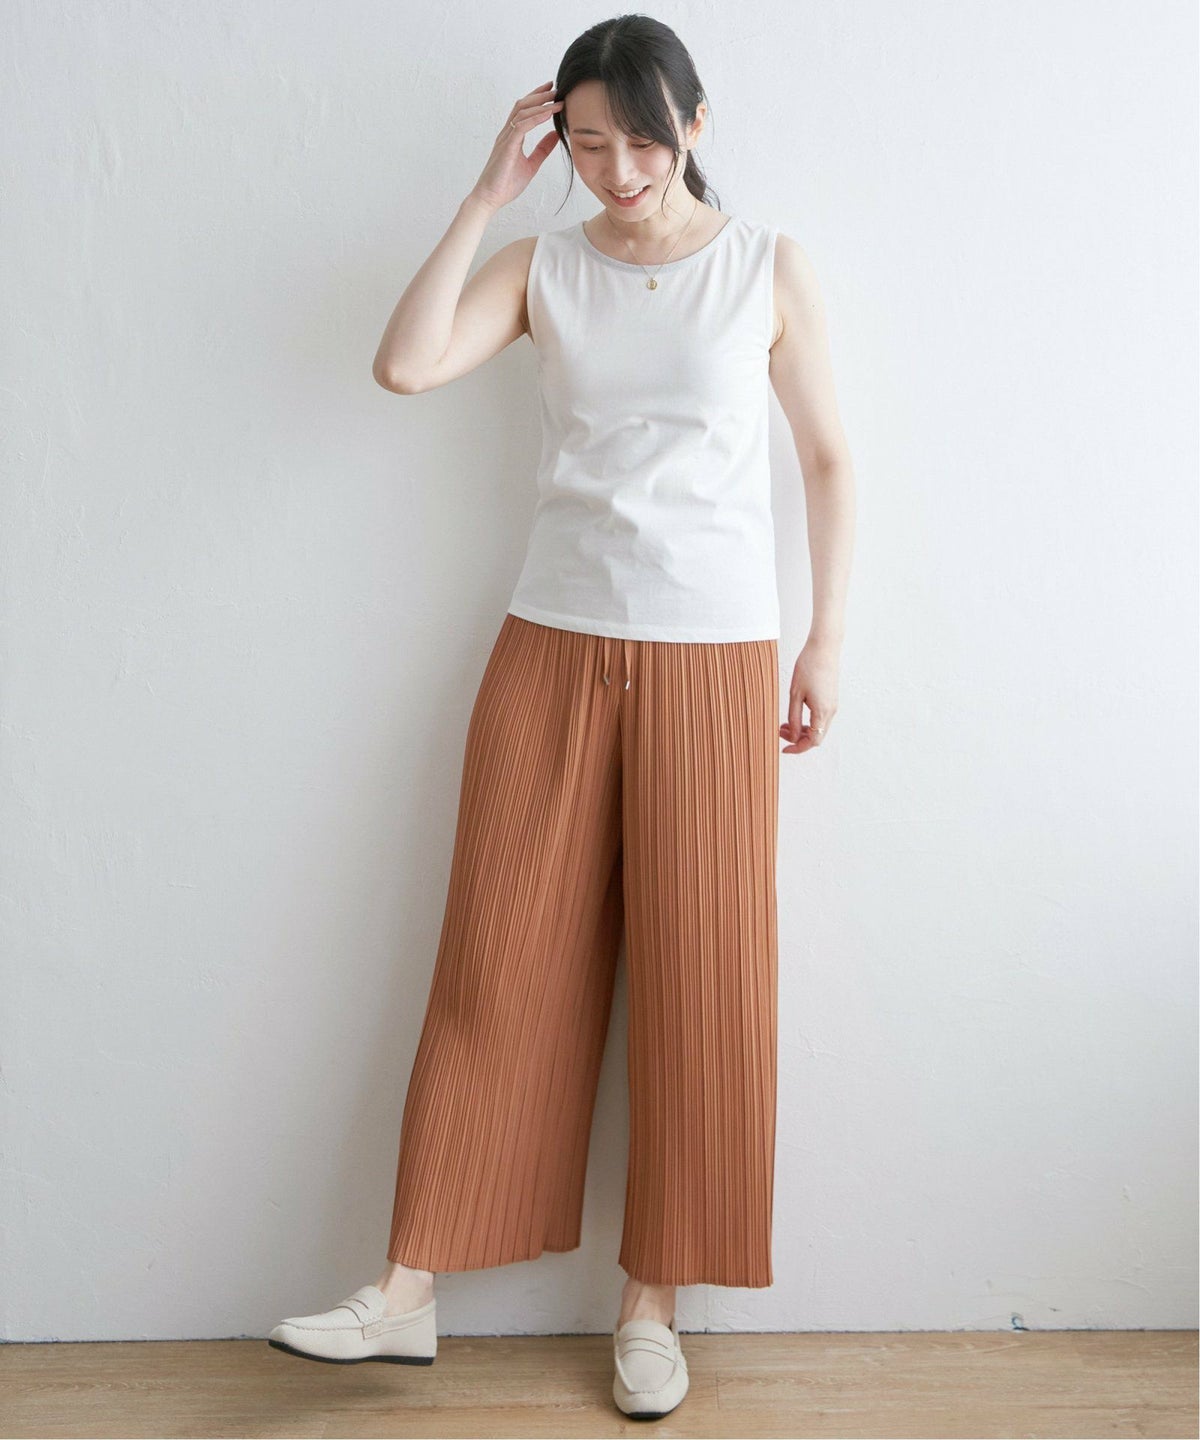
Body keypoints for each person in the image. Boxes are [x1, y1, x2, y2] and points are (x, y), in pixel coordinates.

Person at [268, 14, 854, 1422]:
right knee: (496, 956)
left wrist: (827, 639)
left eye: (642, 140)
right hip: (552, 644)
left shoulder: (767, 268)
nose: (618, 171)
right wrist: (488, 195)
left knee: (704, 981)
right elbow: (405, 366)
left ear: (696, 125)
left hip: (716, 656)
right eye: (588, 145)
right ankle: (405, 1290)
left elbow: (829, 459)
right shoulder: (546, 267)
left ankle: (654, 1307)